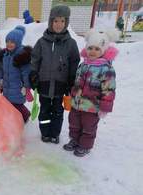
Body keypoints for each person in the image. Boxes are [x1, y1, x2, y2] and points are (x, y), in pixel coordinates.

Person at [63, 29, 118, 157]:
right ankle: (74, 140)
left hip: (93, 106)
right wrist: (72, 95)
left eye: (97, 49)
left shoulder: (106, 68)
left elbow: (109, 89)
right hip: (77, 103)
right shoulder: (83, 65)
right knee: (74, 123)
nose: (93, 51)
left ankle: (85, 145)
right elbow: (77, 82)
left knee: (89, 127)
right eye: (90, 48)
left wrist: (104, 107)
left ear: (103, 50)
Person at [30, 5, 80, 144]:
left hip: (60, 85)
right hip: (44, 84)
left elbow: (74, 63)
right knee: (45, 110)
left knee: (58, 111)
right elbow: (34, 59)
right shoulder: (42, 42)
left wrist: (71, 80)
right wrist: (33, 74)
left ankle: (55, 133)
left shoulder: (71, 43)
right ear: (51, 21)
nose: (59, 24)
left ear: (66, 23)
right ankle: (45, 133)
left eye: (62, 21)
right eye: (56, 21)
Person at [0, 25, 33, 123]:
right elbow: (2, 69)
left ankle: (25, 116)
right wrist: (1, 80)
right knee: (8, 103)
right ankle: (13, 117)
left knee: (17, 105)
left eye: (12, 42)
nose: (9, 44)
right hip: (7, 85)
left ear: (18, 43)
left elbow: (26, 73)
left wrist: (27, 88)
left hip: (18, 87)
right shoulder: (5, 55)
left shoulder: (21, 56)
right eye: (7, 41)